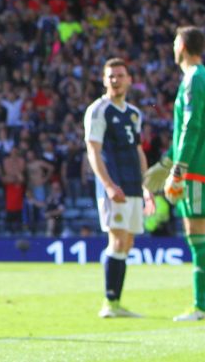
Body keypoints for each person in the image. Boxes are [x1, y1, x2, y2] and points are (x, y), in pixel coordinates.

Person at [163, 26, 205, 321]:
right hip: (204, 167)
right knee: (196, 234)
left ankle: (203, 305)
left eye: (175, 42)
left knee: (196, 235)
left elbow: (192, 126)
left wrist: (179, 168)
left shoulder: (194, 79)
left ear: (182, 45)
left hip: (196, 170)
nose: (173, 47)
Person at [83, 57, 147, 318]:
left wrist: (146, 186)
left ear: (129, 79)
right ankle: (109, 302)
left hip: (133, 186)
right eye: (110, 76)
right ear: (104, 79)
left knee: (127, 243)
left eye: (120, 75)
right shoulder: (98, 110)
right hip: (114, 186)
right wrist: (108, 185)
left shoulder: (134, 113)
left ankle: (116, 302)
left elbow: (139, 151)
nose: (115, 80)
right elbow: (93, 151)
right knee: (117, 239)